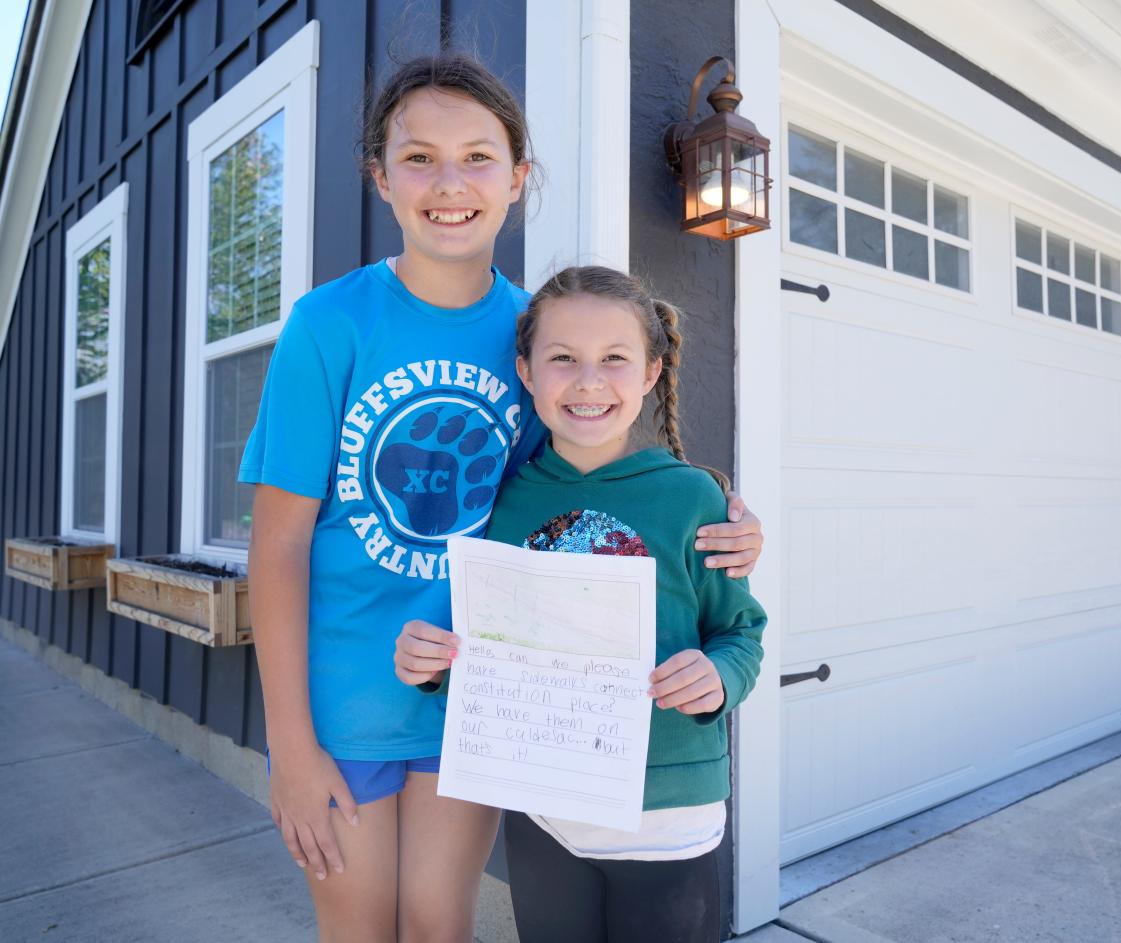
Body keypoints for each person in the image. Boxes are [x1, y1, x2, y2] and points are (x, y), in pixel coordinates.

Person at [241, 54, 764, 943]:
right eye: (419, 158)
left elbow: (585, 473)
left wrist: (720, 517)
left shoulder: (541, 333)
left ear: (518, 178)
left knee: (440, 924)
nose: (450, 183)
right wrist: (291, 745)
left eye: (479, 157)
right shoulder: (330, 325)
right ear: (380, 177)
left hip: (487, 690)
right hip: (347, 695)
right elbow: (280, 544)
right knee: (360, 927)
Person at [401, 265, 767, 943]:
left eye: (615, 360)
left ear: (652, 373)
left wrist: (718, 677)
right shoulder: (502, 503)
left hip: (667, 820)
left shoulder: (694, 499)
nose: (589, 381)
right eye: (563, 358)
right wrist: (434, 664)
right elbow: (497, 653)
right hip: (544, 813)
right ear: (527, 371)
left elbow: (741, 633)